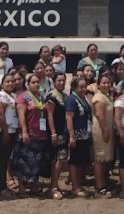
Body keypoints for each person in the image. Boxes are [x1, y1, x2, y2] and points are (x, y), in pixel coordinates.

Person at [11, 73, 49, 198]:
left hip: (40, 134)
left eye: (38, 82)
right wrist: (24, 132)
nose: (36, 84)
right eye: (33, 82)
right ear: (28, 84)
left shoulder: (41, 97)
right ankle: (22, 188)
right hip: (28, 134)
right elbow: (21, 115)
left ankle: (34, 187)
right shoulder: (24, 97)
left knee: (36, 162)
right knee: (23, 162)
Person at [65, 74, 93, 197]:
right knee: (74, 161)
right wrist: (72, 136)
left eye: (84, 87)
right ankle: (74, 187)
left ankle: (78, 183)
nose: (83, 89)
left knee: (80, 161)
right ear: (74, 87)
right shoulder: (72, 99)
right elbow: (69, 118)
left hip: (84, 134)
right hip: (75, 134)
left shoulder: (84, 99)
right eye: (80, 87)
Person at [0, 71, 20, 195]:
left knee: (6, 159)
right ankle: (2, 188)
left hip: (12, 131)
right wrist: (5, 132)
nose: (10, 83)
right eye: (7, 81)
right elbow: (1, 114)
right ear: (2, 83)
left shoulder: (12, 95)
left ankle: (4, 186)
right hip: (4, 132)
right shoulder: (1, 95)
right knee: (2, 160)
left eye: (12, 81)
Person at [45, 71, 71, 199]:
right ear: (54, 82)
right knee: (56, 159)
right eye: (59, 80)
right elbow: (49, 115)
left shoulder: (64, 96)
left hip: (64, 132)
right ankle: (53, 187)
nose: (61, 83)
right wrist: (53, 133)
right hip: (56, 132)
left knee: (61, 159)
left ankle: (54, 185)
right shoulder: (51, 97)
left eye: (63, 80)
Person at [91, 73, 116, 196]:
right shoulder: (99, 97)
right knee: (100, 158)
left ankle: (105, 181)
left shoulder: (107, 96)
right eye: (103, 83)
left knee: (106, 157)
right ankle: (99, 185)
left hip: (107, 128)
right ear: (98, 84)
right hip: (101, 130)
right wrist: (105, 130)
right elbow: (99, 115)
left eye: (108, 83)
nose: (106, 85)